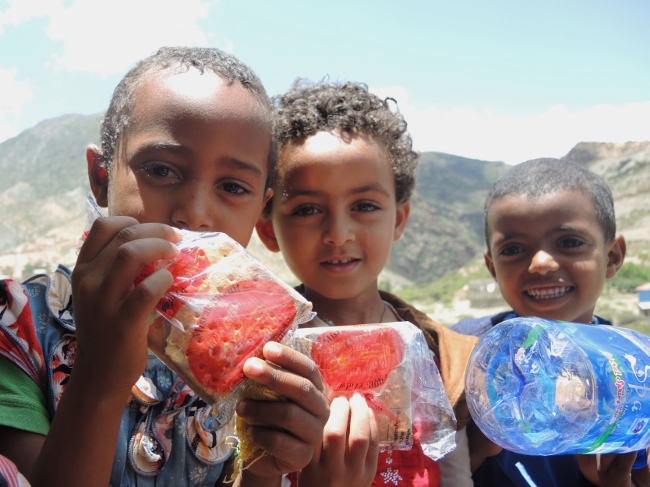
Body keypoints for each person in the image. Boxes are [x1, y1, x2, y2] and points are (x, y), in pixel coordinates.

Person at [0, 47, 330, 487]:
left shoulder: (259, 357)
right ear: (101, 176)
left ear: (259, 212)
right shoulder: (18, 329)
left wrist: (265, 468)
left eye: (232, 187)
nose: (194, 214)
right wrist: (98, 380)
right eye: (161, 170)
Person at [255, 79, 478, 487]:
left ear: (398, 219)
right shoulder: (262, 362)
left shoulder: (444, 358)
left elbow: (456, 477)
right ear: (269, 230)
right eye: (307, 209)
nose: (338, 233)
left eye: (364, 206)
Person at [451, 158, 649, 486]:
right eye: (514, 249)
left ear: (612, 257)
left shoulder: (634, 371)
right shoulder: (464, 357)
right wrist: (471, 452)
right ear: (492, 268)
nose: (541, 263)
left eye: (569, 242)